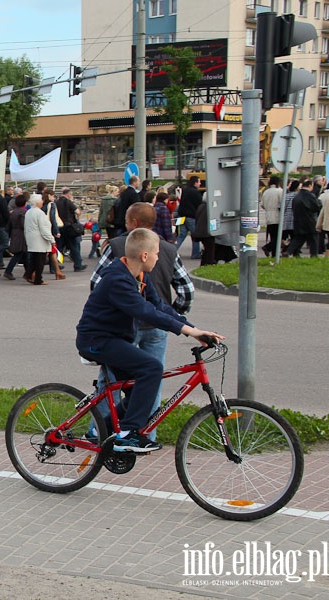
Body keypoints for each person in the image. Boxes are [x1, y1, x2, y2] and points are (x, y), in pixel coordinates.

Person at [76, 228, 222, 452]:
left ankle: (102, 431)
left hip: (115, 340)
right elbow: (146, 312)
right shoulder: (118, 279)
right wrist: (189, 332)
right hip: (96, 341)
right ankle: (128, 434)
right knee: (152, 367)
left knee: (138, 390)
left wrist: (195, 330)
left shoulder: (140, 277)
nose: (158, 258)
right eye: (156, 254)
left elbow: (160, 306)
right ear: (144, 255)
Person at [90, 203, 194, 441]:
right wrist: (177, 319)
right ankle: (140, 433)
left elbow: (96, 283)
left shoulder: (117, 245)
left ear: (133, 222)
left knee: (115, 385)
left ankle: (106, 433)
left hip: (127, 326)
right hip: (153, 328)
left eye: (126, 220)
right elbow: (186, 291)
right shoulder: (169, 249)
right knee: (149, 381)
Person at [24, 193, 56, 285]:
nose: (42, 202)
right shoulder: (40, 213)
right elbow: (44, 228)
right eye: (41, 200)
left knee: (33, 260)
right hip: (39, 240)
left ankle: (28, 274)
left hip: (31, 239)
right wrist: (51, 240)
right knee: (40, 262)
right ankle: (38, 279)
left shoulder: (29, 212)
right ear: (38, 202)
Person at [286, 179, 321, 258]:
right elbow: (316, 207)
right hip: (309, 221)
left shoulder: (297, 196)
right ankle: (314, 255)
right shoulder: (310, 196)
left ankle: (288, 251)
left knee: (299, 238)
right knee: (313, 238)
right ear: (310, 186)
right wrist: (319, 201)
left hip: (298, 220)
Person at [55, 187, 86, 272]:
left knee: (59, 247)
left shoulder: (56, 202)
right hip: (69, 226)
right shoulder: (68, 202)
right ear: (68, 194)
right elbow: (77, 212)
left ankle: (56, 265)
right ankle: (77, 265)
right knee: (73, 246)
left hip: (59, 226)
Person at [175, 175, 203, 259]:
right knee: (195, 236)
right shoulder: (195, 192)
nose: (200, 183)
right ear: (195, 183)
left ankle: (172, 251)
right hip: (191, 216)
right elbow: (199, 204)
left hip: (182, 216)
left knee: (182, 235)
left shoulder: (185, 190)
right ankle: (195, 254)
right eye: (199, 182)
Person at [3, 192, 29, 280]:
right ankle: (8, 271)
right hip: (21, 235)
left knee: (24, 254)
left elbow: (9, 225)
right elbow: (23, 225)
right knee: (19, 253)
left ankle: (28, 272)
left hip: (15, 233)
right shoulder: (23, 212)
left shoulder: (14, 212)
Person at [260, 176, 283, 257]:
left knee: (272, 235)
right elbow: (282, 204)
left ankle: (274, 254)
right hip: (278, 216)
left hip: (268, 216)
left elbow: (262, 205)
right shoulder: (280, 191)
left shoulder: (266, 192)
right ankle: (268, 247)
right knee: (278, 237)